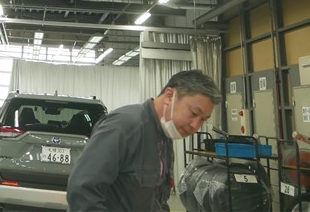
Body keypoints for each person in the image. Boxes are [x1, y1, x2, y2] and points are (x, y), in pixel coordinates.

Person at [67, 69, 221, 212]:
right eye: (194, 113)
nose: (196, 126)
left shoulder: (164, 136)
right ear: (169, 96)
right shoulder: (125, 127)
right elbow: (82, 190)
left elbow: (158, 199)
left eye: (203, 120)